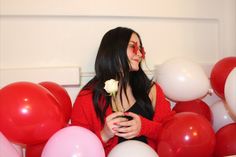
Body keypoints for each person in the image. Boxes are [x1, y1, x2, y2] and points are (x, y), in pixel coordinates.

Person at [71, 27, 174, 155]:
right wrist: (104, 134)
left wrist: (144, 127)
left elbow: (171, 134)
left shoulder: (152, 90)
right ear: (114, 50)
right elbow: (78, 147)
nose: (140, 54)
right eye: (133, 46)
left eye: (140, 49)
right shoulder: (87, 97)